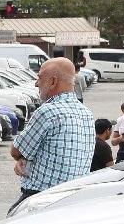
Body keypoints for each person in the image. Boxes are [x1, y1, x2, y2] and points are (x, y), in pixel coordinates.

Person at [9, 57, 94, 210]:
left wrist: (22, 159)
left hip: (41, 198)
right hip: (74, 198)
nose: (36, 84)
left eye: (39, 78)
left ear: (53, 81)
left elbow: (17, 150)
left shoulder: (48, 111)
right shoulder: (86, 113)